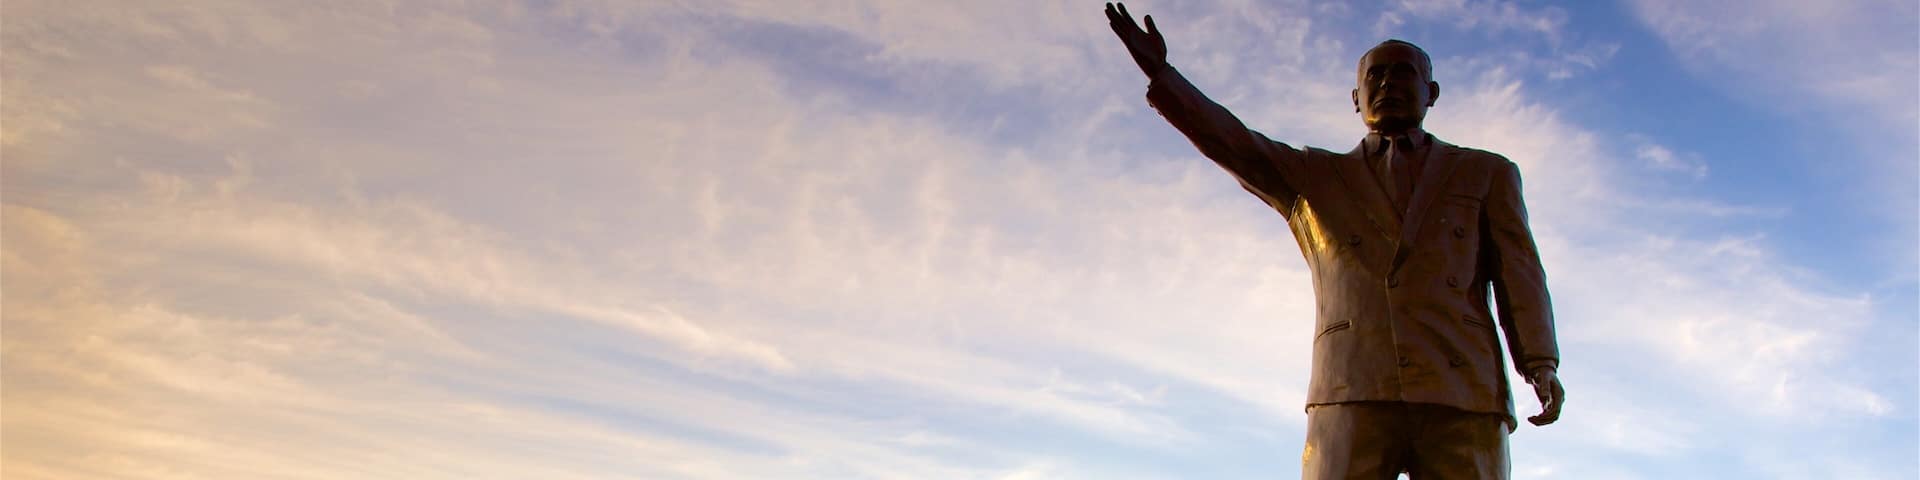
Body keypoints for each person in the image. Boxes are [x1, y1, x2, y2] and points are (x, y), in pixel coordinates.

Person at [1103, 4, 1566, 479]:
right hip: (1351, 385)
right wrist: (1164, 76)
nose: (1387, 84)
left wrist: (1539, 361)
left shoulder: (1486, 172)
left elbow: (1520, 273)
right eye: (1376, 76)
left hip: (1462, 386)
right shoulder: (1314, 177)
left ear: (1432, 93)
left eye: (1403, 73)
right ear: (1355, 97)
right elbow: (1233, 143)